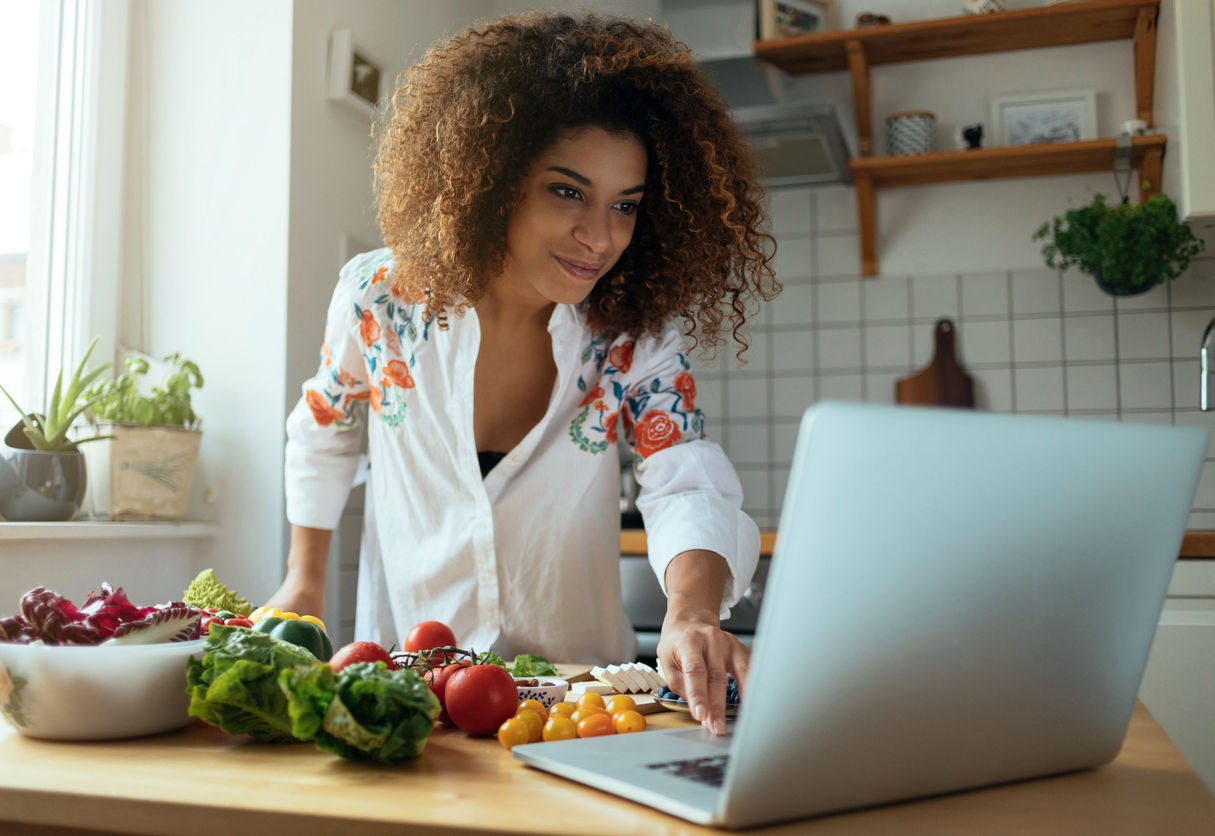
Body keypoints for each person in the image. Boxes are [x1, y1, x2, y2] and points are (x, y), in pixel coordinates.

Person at [267, 11, 778, 736]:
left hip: (580, 706)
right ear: (493, 179)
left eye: (625, 205)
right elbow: (323, 427)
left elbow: (684, 474)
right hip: (409, 696)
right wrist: (304, 580)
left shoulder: (630, 333)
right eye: (567, 191)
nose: (599, 236)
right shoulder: (380, 299)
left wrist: (692, 612)